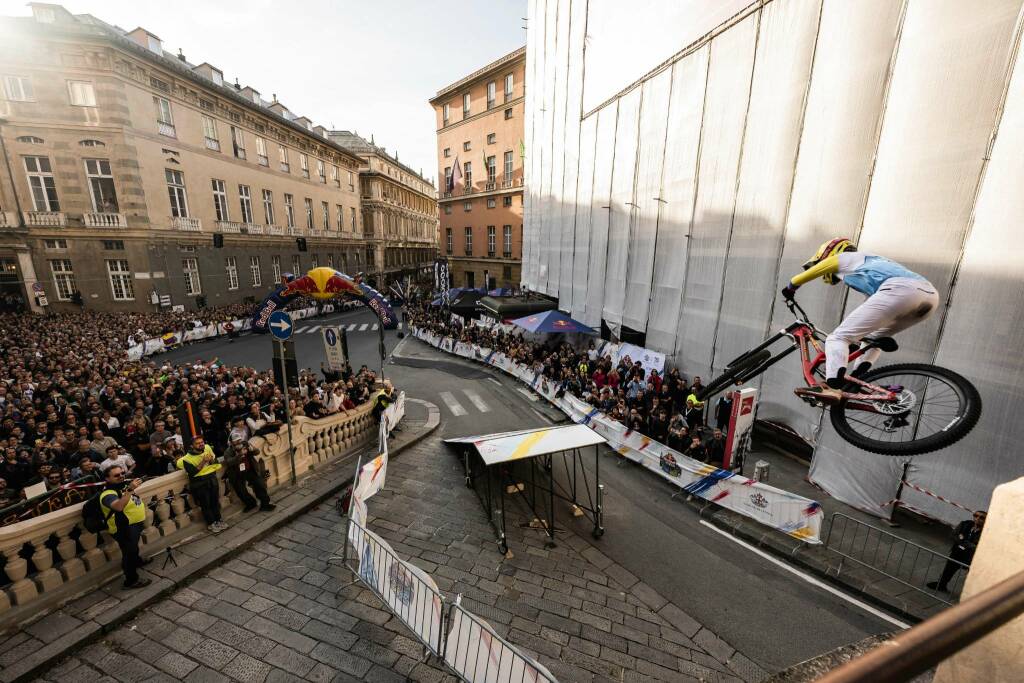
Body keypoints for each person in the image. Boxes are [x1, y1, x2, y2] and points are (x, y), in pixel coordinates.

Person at [782, 238, 939, 401]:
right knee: (873, 338)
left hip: (901, 290)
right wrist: (855, 342)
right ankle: (857, 380)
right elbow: (870, 310)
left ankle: (832, 386)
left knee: (837, 338)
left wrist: (791, 287)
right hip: (929, 297)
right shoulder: (870, 263)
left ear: (828, 254)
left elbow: (809, 273)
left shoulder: (846, 258)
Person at [99, 465, 151, 589]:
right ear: (107, 478)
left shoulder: (122, 486)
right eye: (116, 475)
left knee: (133, 547)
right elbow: (118, 507)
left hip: (133, 525)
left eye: (122, 473)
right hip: (123, 528)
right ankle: (131, 580)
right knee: (129, 553)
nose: (121, 476)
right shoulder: (107, 494)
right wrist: (129, 490)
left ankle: (137, 561)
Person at [928, 510, 986, 593]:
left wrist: (963, 540)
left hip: (970, 556)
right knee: (948, 569)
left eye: (981, 517)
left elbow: (977, 546)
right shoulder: (965, 524)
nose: (977, 518)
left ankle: (970, 593)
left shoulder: (986, 532)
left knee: (972, 575)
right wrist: (965, 542)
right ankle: (941, 585)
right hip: (957, 551)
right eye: (976, 515)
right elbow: (953, 535)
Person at [177, 436, 227, 533]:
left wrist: (211, 460)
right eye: (198, 443)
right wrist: (203, 461)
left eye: (202, 442)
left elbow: (215, 462)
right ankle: (211, 523)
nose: (201, 444)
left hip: (212, 480)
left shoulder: (207, 448)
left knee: (215, 502)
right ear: (192, 446)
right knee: (206, 505)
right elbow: (192, 473)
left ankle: (219, 520)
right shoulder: (187, 459)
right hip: (200, 484)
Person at [222, 438, 275, 513]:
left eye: (239, 440)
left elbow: (257, 452)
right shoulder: (228, 452)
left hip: (250, 469)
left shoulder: (245, 444)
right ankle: (251, 504)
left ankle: (265, 504)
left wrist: (252, 449)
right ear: (231, 443)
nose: (238, 442)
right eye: (236, 441)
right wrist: (239, 455)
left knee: (259, 484)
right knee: (241, 491)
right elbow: (229, 462)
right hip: (237, 473)